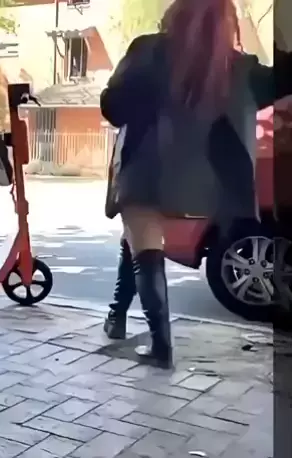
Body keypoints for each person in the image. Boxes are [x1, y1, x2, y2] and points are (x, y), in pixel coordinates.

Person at [100, 0, 292, 369]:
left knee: (143, 246)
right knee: (135, 240)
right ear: (227, 24)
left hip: (147, 171)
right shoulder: (241, 68)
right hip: (208, 185)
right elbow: (283, 80)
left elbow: (113, 108)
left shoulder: (148, 50)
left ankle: (160, 346)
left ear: (177, 13)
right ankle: (116, 315)